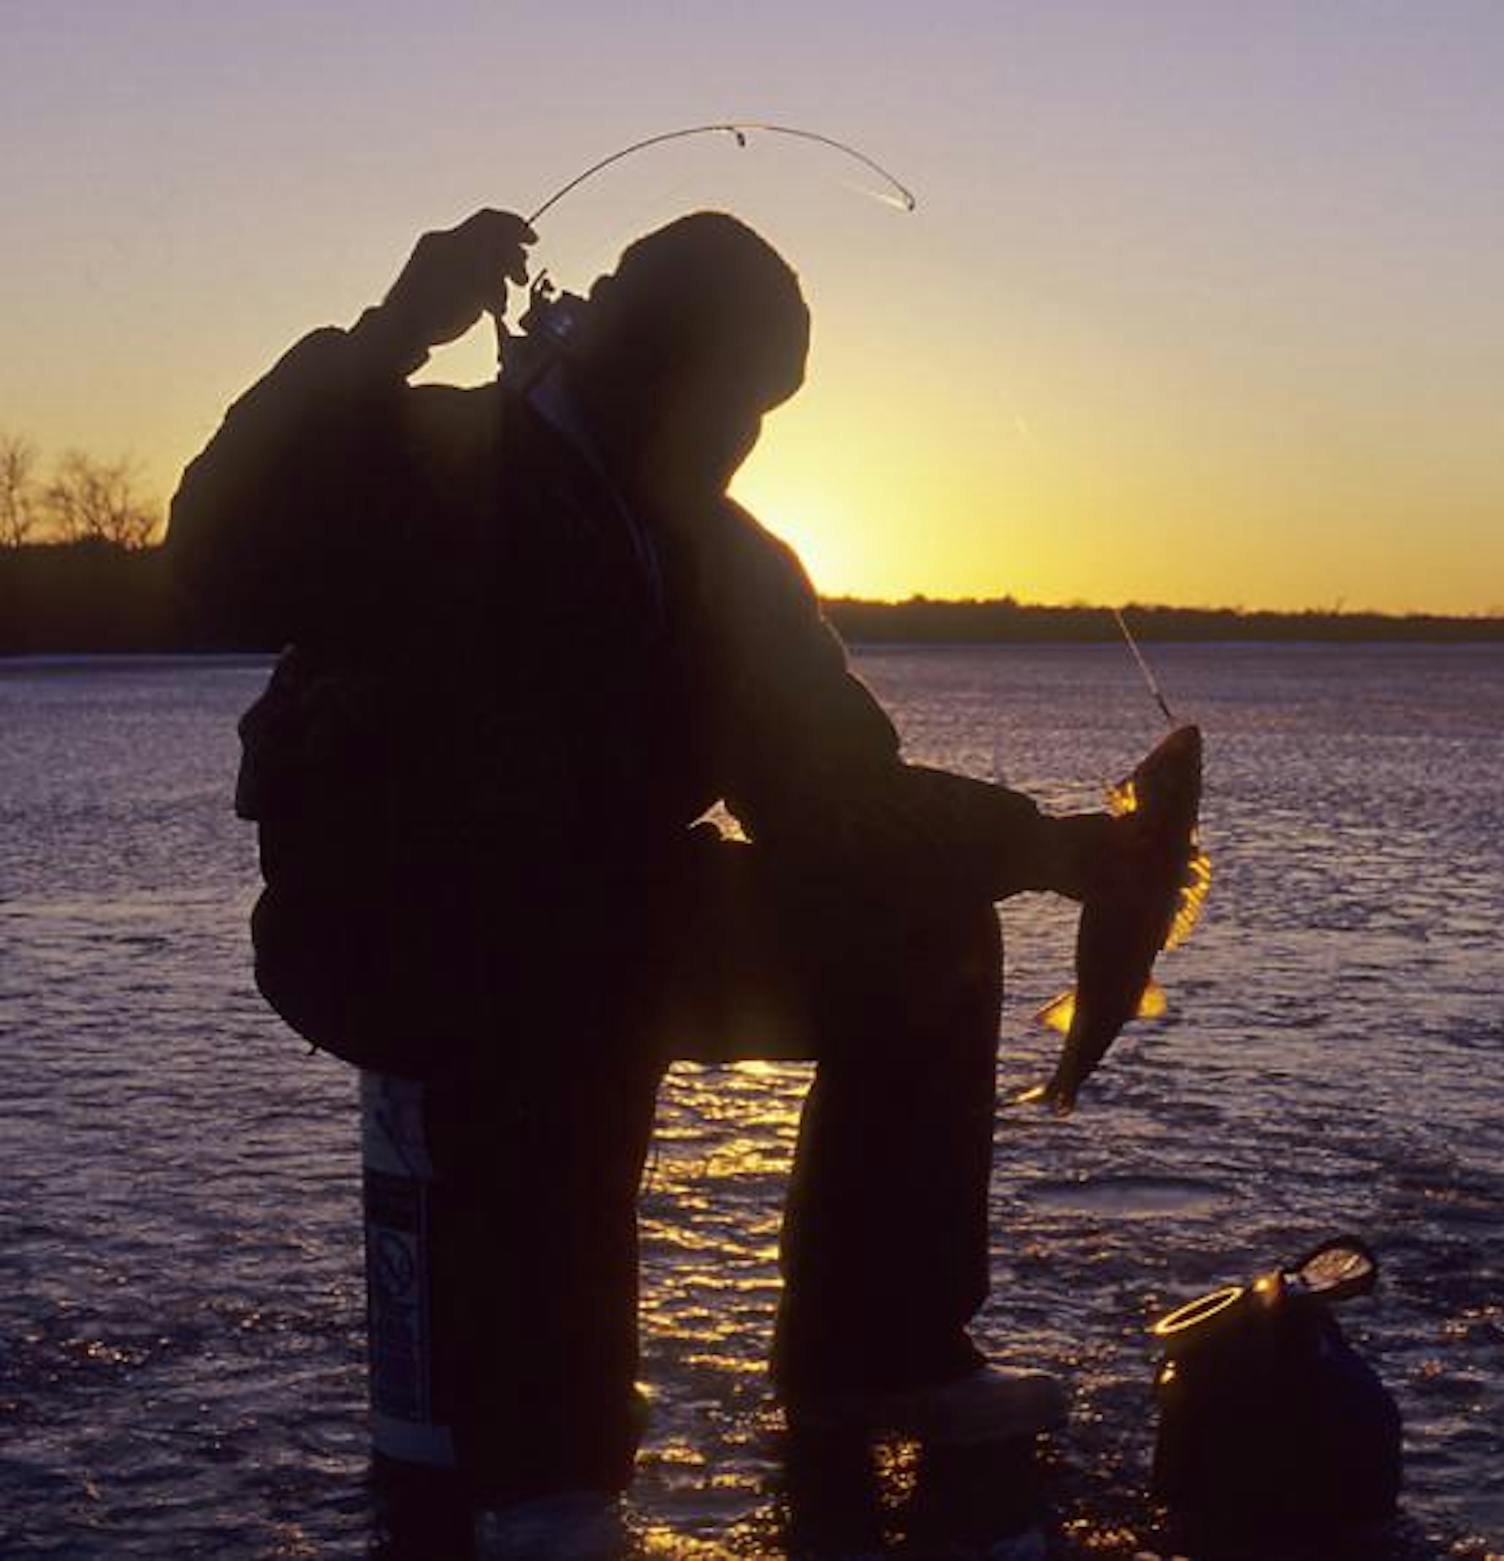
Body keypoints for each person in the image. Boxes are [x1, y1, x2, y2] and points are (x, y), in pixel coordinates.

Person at [163, 208, 1125, 1540]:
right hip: (373, 919)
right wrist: (387, 336)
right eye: (734, 393)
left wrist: (1052, 845)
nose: (741, 435)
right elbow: (208, 557)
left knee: (921, 931)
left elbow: (837, 800)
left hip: (595, 909)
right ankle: (546, 1467)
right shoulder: (434, 452)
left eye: (763, 409)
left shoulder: (724, 560)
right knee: (568, 966)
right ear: (655, 355)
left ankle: (875, 1352)